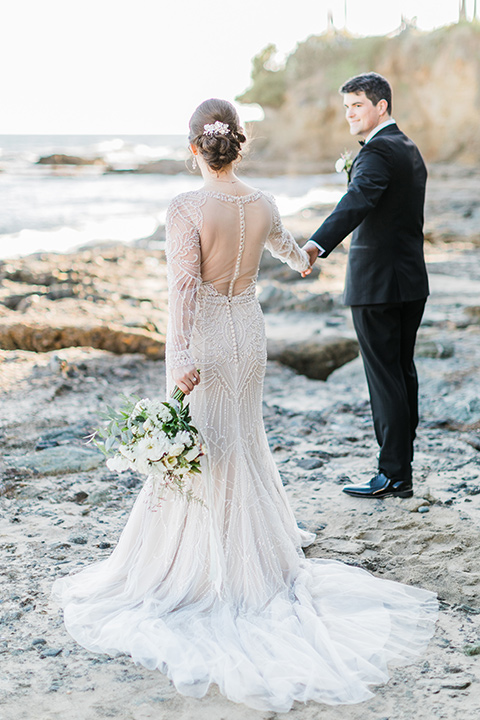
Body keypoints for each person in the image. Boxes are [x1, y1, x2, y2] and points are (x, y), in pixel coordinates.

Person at [52, 98, 437, 711]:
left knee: (203, 444)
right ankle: (256, 555)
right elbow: (290, 250)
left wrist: (176, 359)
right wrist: (311, 256)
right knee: (240, 437)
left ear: (194, 147)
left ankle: (203, 565)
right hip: (248, 332)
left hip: (205, 333)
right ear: (238, 144)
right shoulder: (261, 203)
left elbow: (182, 288)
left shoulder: (185, 206)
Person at [303, 72, 429, 500]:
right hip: (410, 281)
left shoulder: (377, 152)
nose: (349, 114)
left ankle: (392, 474)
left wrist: (317, 244)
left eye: (357, 105)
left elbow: (356, 200)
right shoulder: (408, 148)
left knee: (385, 379)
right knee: (401, 374)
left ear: (381, 107)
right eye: (346, 107)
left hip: (378, 285)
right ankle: (400, 470)